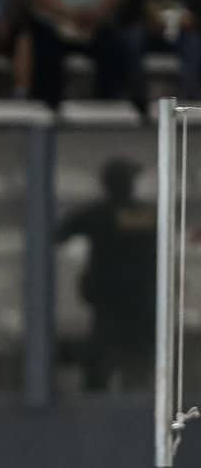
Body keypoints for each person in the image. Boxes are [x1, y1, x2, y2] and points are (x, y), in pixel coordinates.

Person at [58, 159, 156, 393]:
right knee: (122, 358)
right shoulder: (140, 214)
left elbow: (59, 234)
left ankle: (106, 394)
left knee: (114, 357)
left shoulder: (99, 214)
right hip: (128, 301)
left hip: (121, 301)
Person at [28, 0, 145, 111]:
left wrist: (97, 12)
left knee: (116, 47)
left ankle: (106, 105)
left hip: (96, 23)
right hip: (56, 22)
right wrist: (70, 14)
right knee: (44, 47)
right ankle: (49, 106)